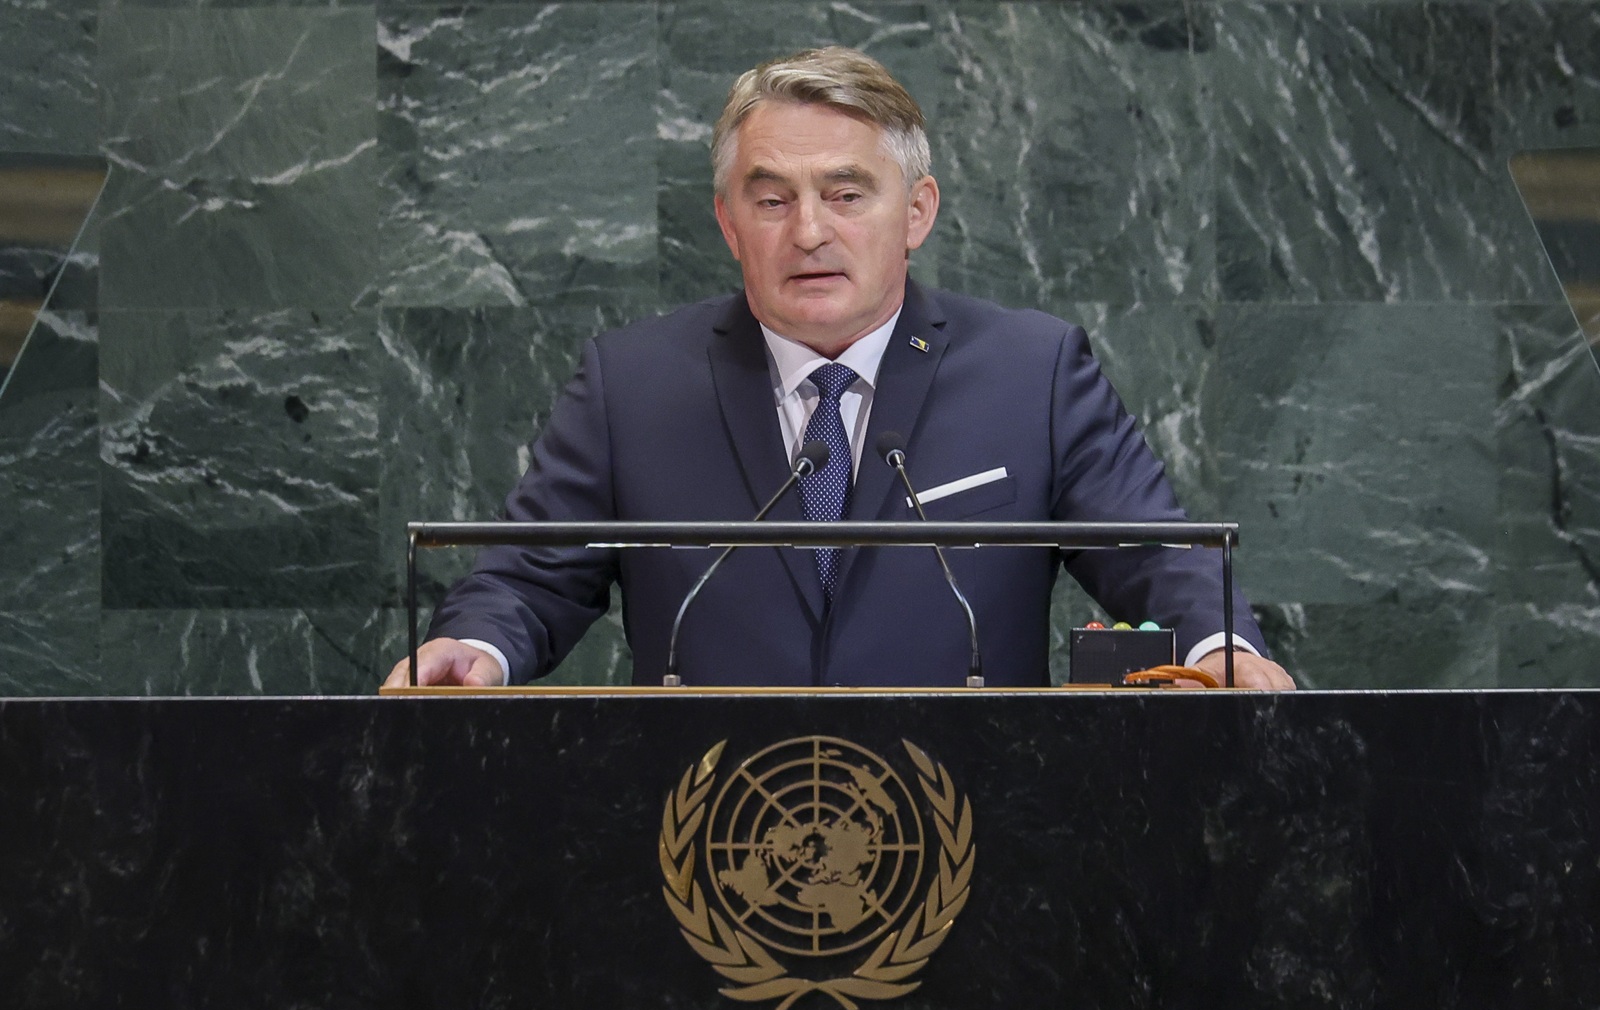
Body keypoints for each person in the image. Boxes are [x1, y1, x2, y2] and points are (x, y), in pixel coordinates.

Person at [384, 46, 1295, 692]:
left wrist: (1219, 645)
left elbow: (1156, 552)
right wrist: (474, 647)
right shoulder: (632, 385)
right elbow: (527, 578)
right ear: (729, 223)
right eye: (771, 198)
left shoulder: (1035, 372)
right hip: (706, 842)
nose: (809, 231)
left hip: (983, 844)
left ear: (917, 211)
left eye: (846, 195)